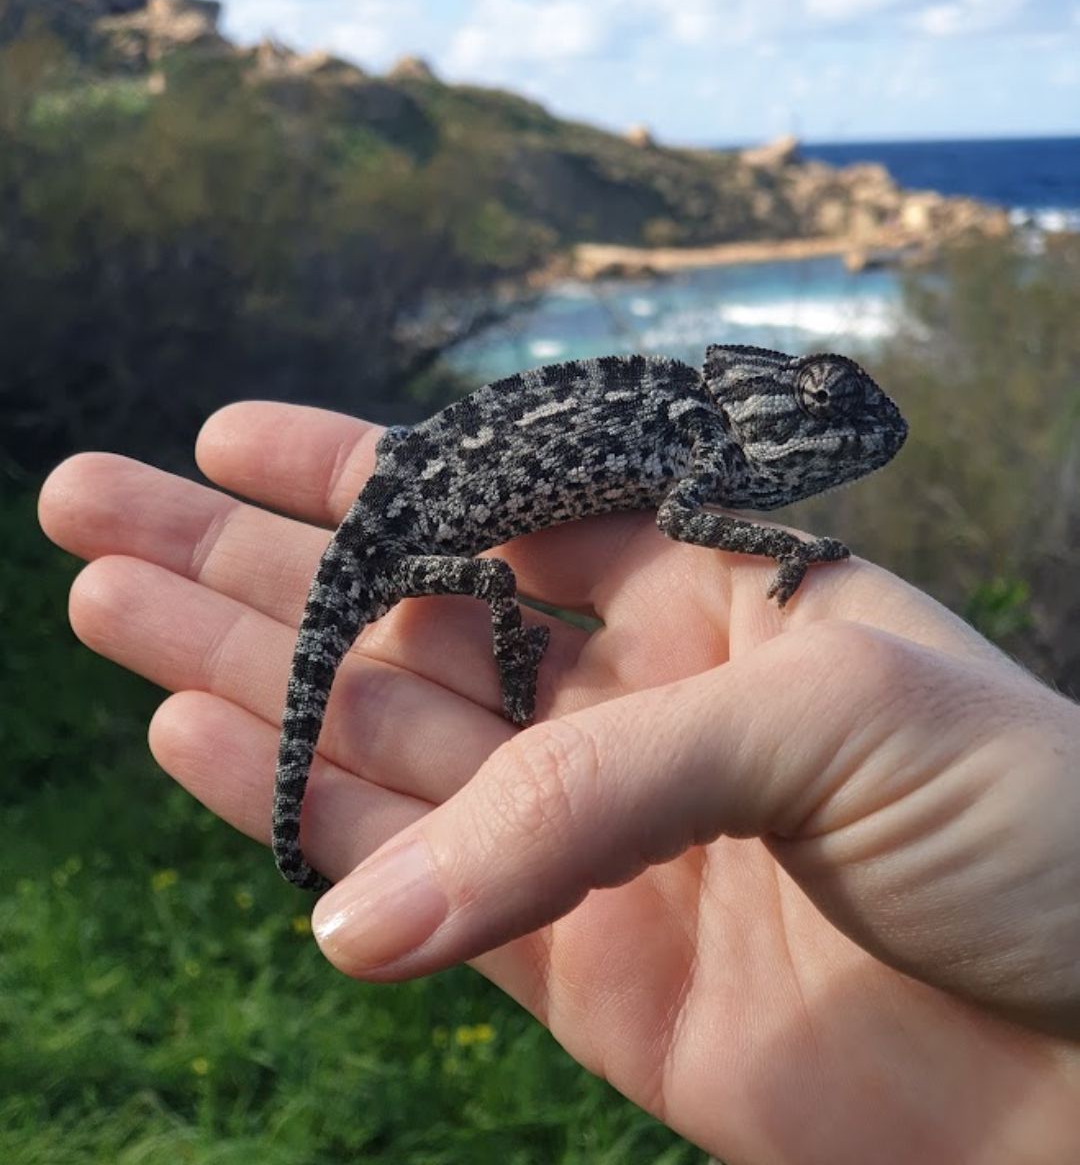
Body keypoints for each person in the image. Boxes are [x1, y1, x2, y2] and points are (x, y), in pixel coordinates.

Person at [39, 401, 1080, 1162]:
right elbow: (688, 521)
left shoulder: (684, 418)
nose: (842, 453)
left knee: (476, 580)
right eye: (824, 434)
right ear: (768, 430)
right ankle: (332, 785)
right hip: (405, 545)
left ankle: (303, 805)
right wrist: (783, 547)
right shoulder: (696, 445)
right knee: (488, 579)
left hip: (416, 510)